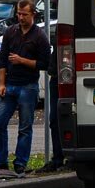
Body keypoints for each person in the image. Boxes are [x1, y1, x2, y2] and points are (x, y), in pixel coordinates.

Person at [0, 0, 51, 175]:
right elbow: (2, 59)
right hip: (10, 84)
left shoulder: (39, 36)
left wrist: (22, 61)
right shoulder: (11, 32)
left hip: (28, 86)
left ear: (32, 14)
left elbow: (44, 63)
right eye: (19, 13)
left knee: (25, 127)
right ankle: (0, 161)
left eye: (24, 14)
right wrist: (2, 83)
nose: (21, 17)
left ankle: (20, 162)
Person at [34, 29, 65, 173]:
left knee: (67, 117)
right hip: (57, 76)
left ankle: (70, 158)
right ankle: (58, 158)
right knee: (54, 120)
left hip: (68, 75)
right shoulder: (64, 18)